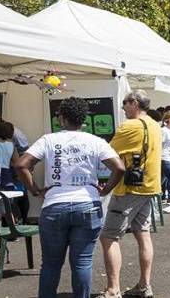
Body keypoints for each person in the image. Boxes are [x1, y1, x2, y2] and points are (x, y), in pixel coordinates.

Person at [14, 97, 124, 298]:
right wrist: (106, 189)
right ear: (82, 120)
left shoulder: (49, 140)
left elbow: (22, 165)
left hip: (55, 205)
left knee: (50, 263)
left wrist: (35, 190)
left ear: (62, 118)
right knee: (82, 261)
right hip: (88, 204)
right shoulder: (96, 141)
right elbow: (119, 167)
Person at [101, 90, 163, 298]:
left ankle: (113, 289)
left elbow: (108, 153)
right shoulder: (155, 125)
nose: (123, 107)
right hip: (149, 186)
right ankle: (144, 285)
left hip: (129, 188)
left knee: (109, 236)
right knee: (142, 233)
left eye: (126, 103)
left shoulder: (130, 126)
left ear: (135, 103)